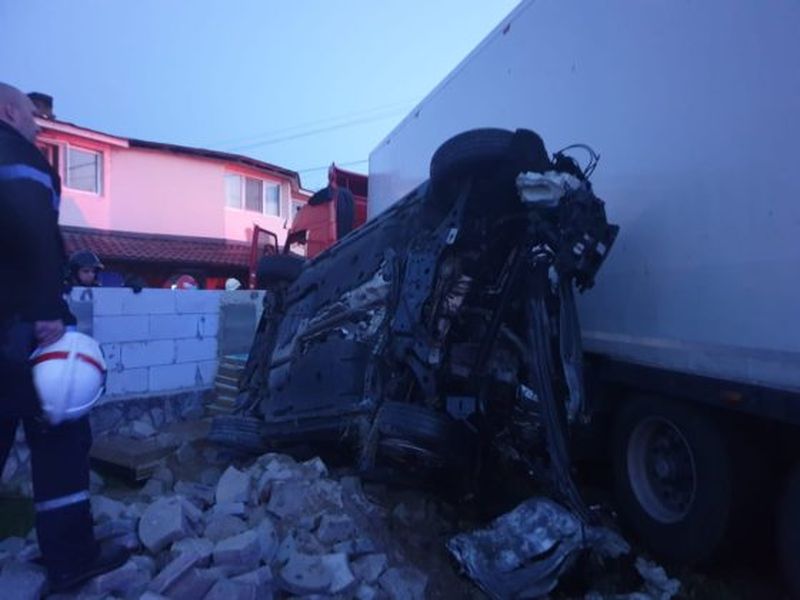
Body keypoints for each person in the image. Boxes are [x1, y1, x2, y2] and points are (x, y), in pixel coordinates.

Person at [0, 82, 128, 591]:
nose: (37, 125)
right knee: (60, 435)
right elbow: (31, 231)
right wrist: (45, 311)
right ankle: (70, 557)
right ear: (8, 112)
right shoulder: (17, 158)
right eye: (31, 115)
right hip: (19, 328)